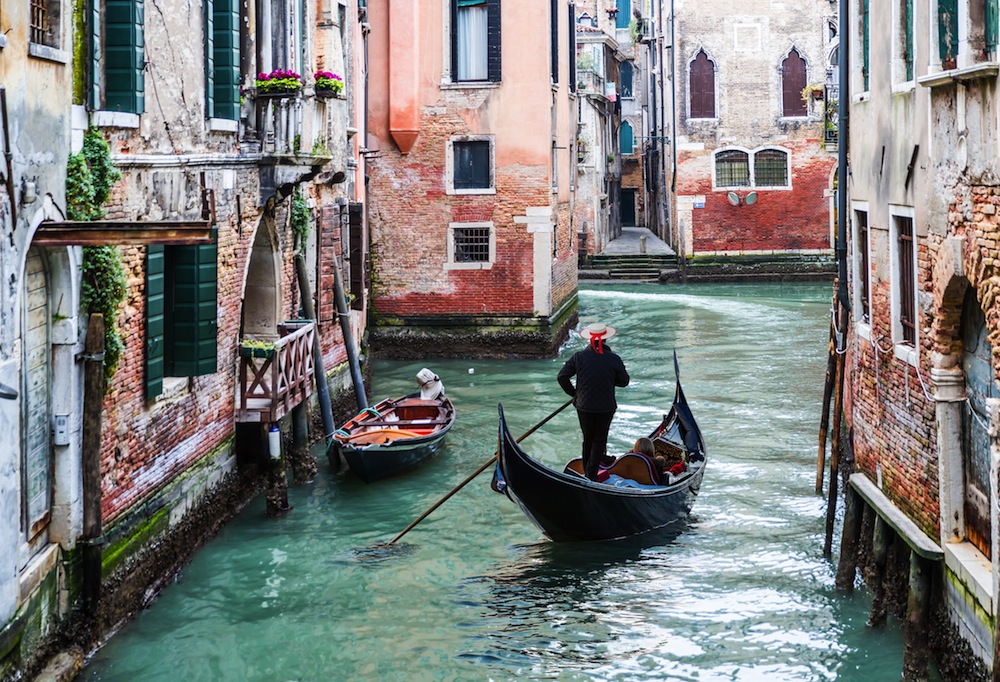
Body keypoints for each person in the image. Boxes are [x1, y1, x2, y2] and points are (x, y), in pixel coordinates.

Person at [557, 322, 630, 481]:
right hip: (606, 406)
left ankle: (587, 470)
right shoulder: (613, 359)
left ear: (589, 340)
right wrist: (609, 379)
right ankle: (591, 474)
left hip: (584, 405)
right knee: (599, 439)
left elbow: (562, 377)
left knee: (588, 438)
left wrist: (574, 394)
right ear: (605, 340)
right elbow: (624, 381)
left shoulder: (579, 357)